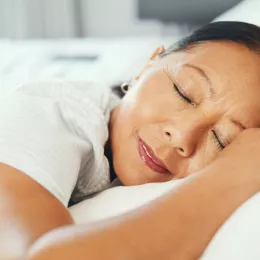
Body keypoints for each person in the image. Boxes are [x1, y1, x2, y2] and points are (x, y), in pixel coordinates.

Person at [0, 21, 260, 260]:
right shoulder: (47, 112)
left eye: (222, 140)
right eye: (184, 93)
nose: (181, 136)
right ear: (146, 66)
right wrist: (229, 177)